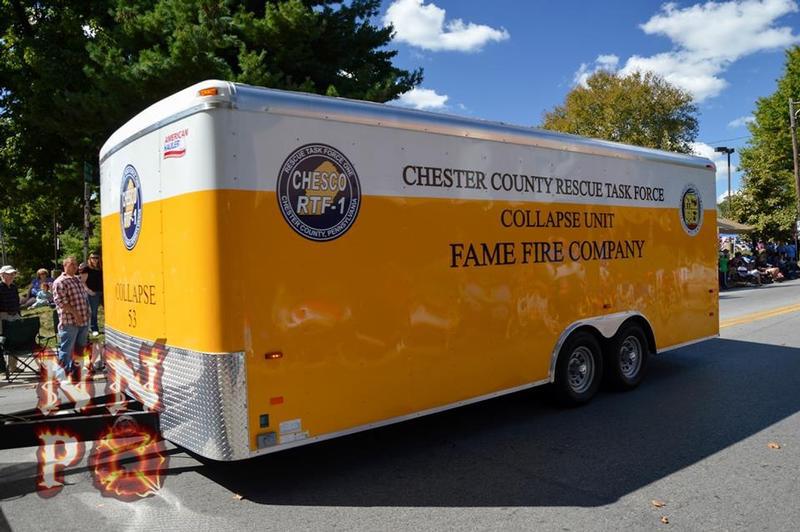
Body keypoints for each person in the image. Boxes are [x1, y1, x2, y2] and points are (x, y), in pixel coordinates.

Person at [52, 257, 90, 377]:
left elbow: (83, 298)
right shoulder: (60, 281)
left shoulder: (77, 279)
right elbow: (61, 302)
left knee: (80, 348)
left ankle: (75, 372)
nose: (75, 266)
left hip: (84, 319)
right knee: (67, 349)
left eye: (76, 264)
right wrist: (76, 314)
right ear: (65, 265)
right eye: (72, 264)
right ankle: (61, 375)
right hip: (69, 322)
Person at [0, 265, 23, 373]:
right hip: (3, 316)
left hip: (15, 315)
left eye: (13, 273)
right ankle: (4, 367)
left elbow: (17, 302)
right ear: (2, 275)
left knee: (17, 339)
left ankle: (13, 366)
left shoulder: (14, 287)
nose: (12, 276)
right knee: (6, 342)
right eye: (9, 274)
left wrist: (19, 315)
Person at [83, 252, 103, 336]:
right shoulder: (86, 269)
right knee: (93, 312)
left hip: (102, 292)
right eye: (93, 258)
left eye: (96, 258)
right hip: (92, 293)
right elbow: (82, 282)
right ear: (89, 259)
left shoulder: (100, 268)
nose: (95, 259)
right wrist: (88, 290)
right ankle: (94, 328)